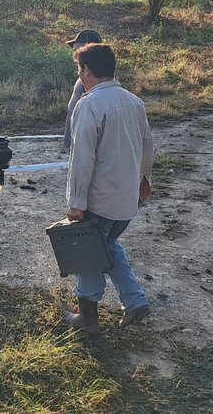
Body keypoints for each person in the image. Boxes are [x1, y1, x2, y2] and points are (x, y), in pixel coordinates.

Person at [63, 43, 155, 334]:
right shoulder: (134, 102)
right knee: (107, 246)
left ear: (87, 71)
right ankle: (134, 301)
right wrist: (143, 180)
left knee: (87, 252)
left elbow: (82, 158)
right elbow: (147, 147)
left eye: (80, 70)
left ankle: (87, 318)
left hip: (98, 200)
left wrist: (76, 202)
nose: (80, 75)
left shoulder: (89, 105)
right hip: (125, 202)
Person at [63, 29, 103, 149]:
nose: (74, 55)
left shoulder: (93, 80)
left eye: (77, 51)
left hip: (83, 145)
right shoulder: (85, 78)